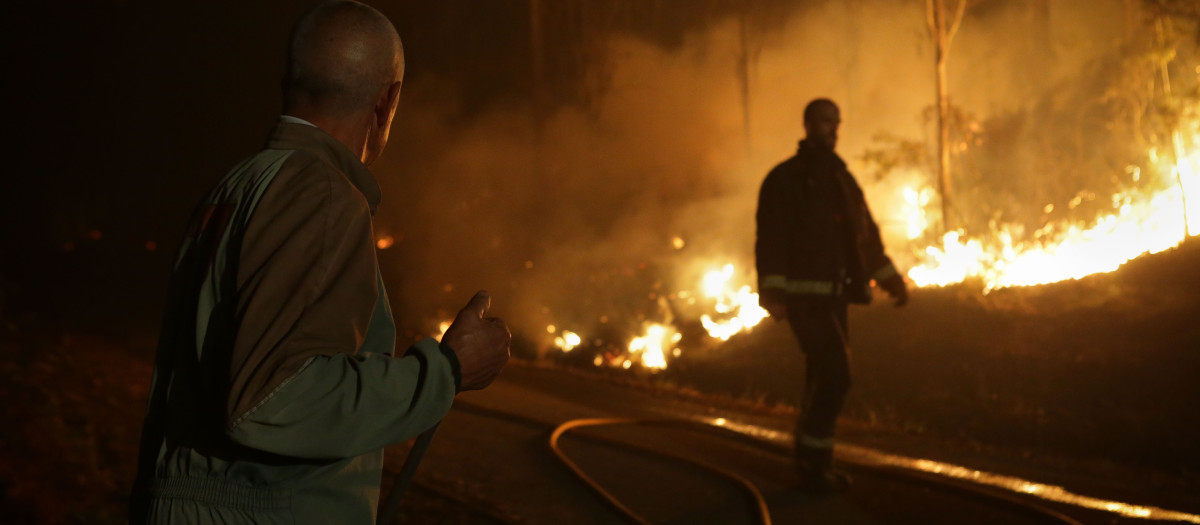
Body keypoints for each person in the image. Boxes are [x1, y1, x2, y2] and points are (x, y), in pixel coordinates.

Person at [129, 2, 511, 523]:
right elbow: (273, 400)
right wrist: (445, 371)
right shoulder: (321, 193)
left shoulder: (237, 186)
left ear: (289, 80)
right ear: (387, 99)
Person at [755, 98, 908, 492]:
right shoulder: (786, 179)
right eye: (826, 122)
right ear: (808, 124)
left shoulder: (842, 180)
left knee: (822, 377)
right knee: (837, 375)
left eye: (837, 123)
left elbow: (865, 236)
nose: (833, 130)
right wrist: (773, 292)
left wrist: (890, 279)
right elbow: (771, 240)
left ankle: (812, 465)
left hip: (835, 299)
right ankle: (812, 465)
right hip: (805, 301)